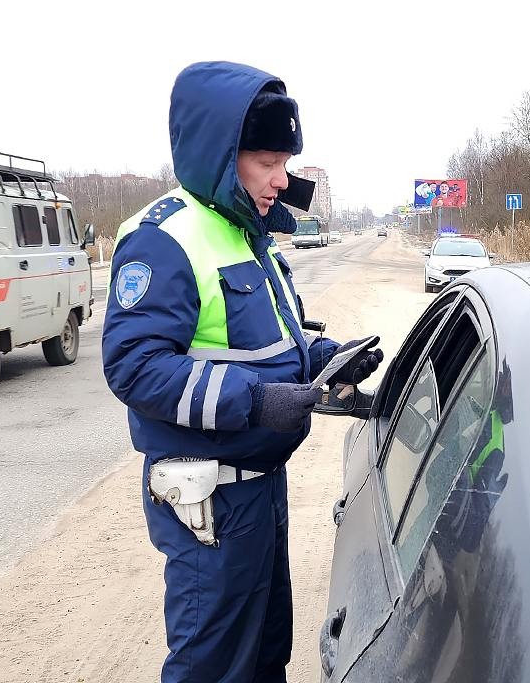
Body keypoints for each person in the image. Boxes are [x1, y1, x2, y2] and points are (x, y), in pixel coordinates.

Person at [102, 61, 383, 683]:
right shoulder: (165, 240)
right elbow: (135, 367)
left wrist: (327, 358)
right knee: (211, 665)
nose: (282, 181)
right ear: (222, 156)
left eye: (286, 164)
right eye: (268, 163)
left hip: (259, 487)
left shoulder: (246, 232)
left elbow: (270, 346)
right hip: (211, 497)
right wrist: (254, 403)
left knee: (263, 653)